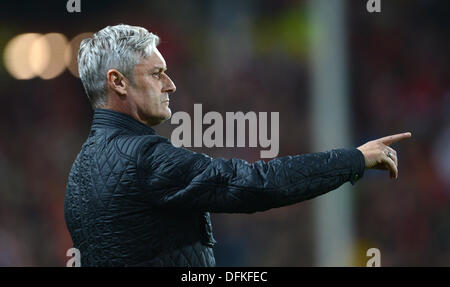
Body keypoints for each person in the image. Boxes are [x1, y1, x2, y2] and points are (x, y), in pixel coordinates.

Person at [64, 24, 411, 267]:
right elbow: (256, 183)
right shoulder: (145, 159)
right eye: (156, 73)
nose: (170, 85)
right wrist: (354, 159)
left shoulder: (78, 173)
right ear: (118, 82)